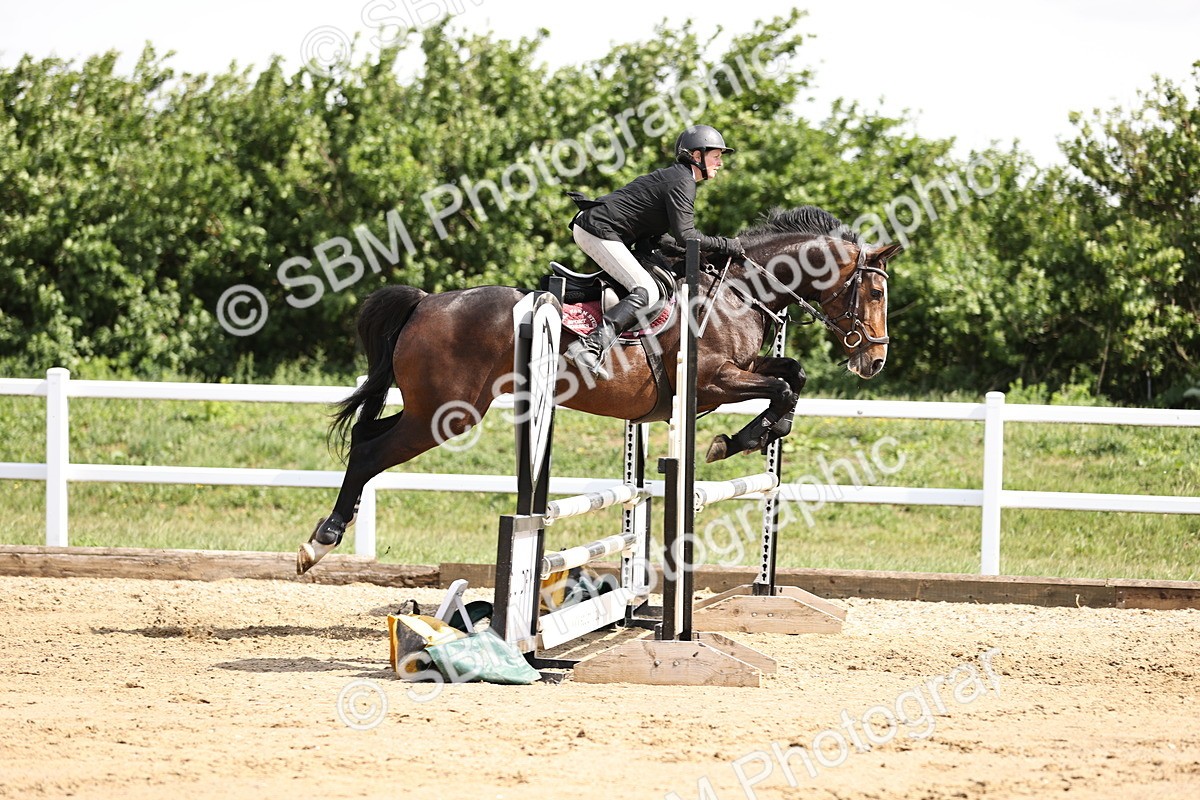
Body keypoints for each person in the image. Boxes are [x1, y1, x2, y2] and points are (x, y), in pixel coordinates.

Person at [564, 124, 745, 380]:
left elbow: (665, 239)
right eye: (716, 156)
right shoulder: (683, 181)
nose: (720, 163)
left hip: (601, 228)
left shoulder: (679, 177)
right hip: (597, 229)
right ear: (696, 156)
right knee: (646, 291)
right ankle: (589, 346)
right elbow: (687, 236)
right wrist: (728, 245)